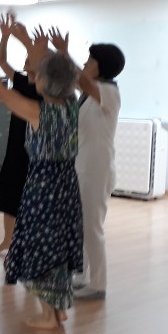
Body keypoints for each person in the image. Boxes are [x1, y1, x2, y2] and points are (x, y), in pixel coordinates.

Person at [0, 24, 82, 330]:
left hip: (43, 189)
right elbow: (67, 74)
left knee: (40, 248)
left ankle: (49, 315)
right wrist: (58, 51)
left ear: (44, 82)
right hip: (67, 187)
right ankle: (58, 309)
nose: (33, 77)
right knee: (58, 247)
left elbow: (1, 91)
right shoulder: (72, 104)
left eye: (37, 75)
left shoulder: (39, 112)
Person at [59, 31, 126, 301]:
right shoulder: (91, 92)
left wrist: (65, 53)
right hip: (84, 164)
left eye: (90, 60)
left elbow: (83, 81)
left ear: (102, 66)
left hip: (97, 168)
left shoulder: (109, 91)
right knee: (81, 225)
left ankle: (98, 284)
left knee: (92, 227)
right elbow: (81, 82)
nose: (86, 64)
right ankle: (82, 275)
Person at [0, 12, 43, 256]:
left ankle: (28, 242)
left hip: (35, 150)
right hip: (15, 147)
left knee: (29, 199)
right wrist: (5, 36)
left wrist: (25, 40)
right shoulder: (20, 81)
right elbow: (1, 60)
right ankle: (8, 241)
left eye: (31, 58)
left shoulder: (45, 90)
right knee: (9, 198)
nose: (27, 60)